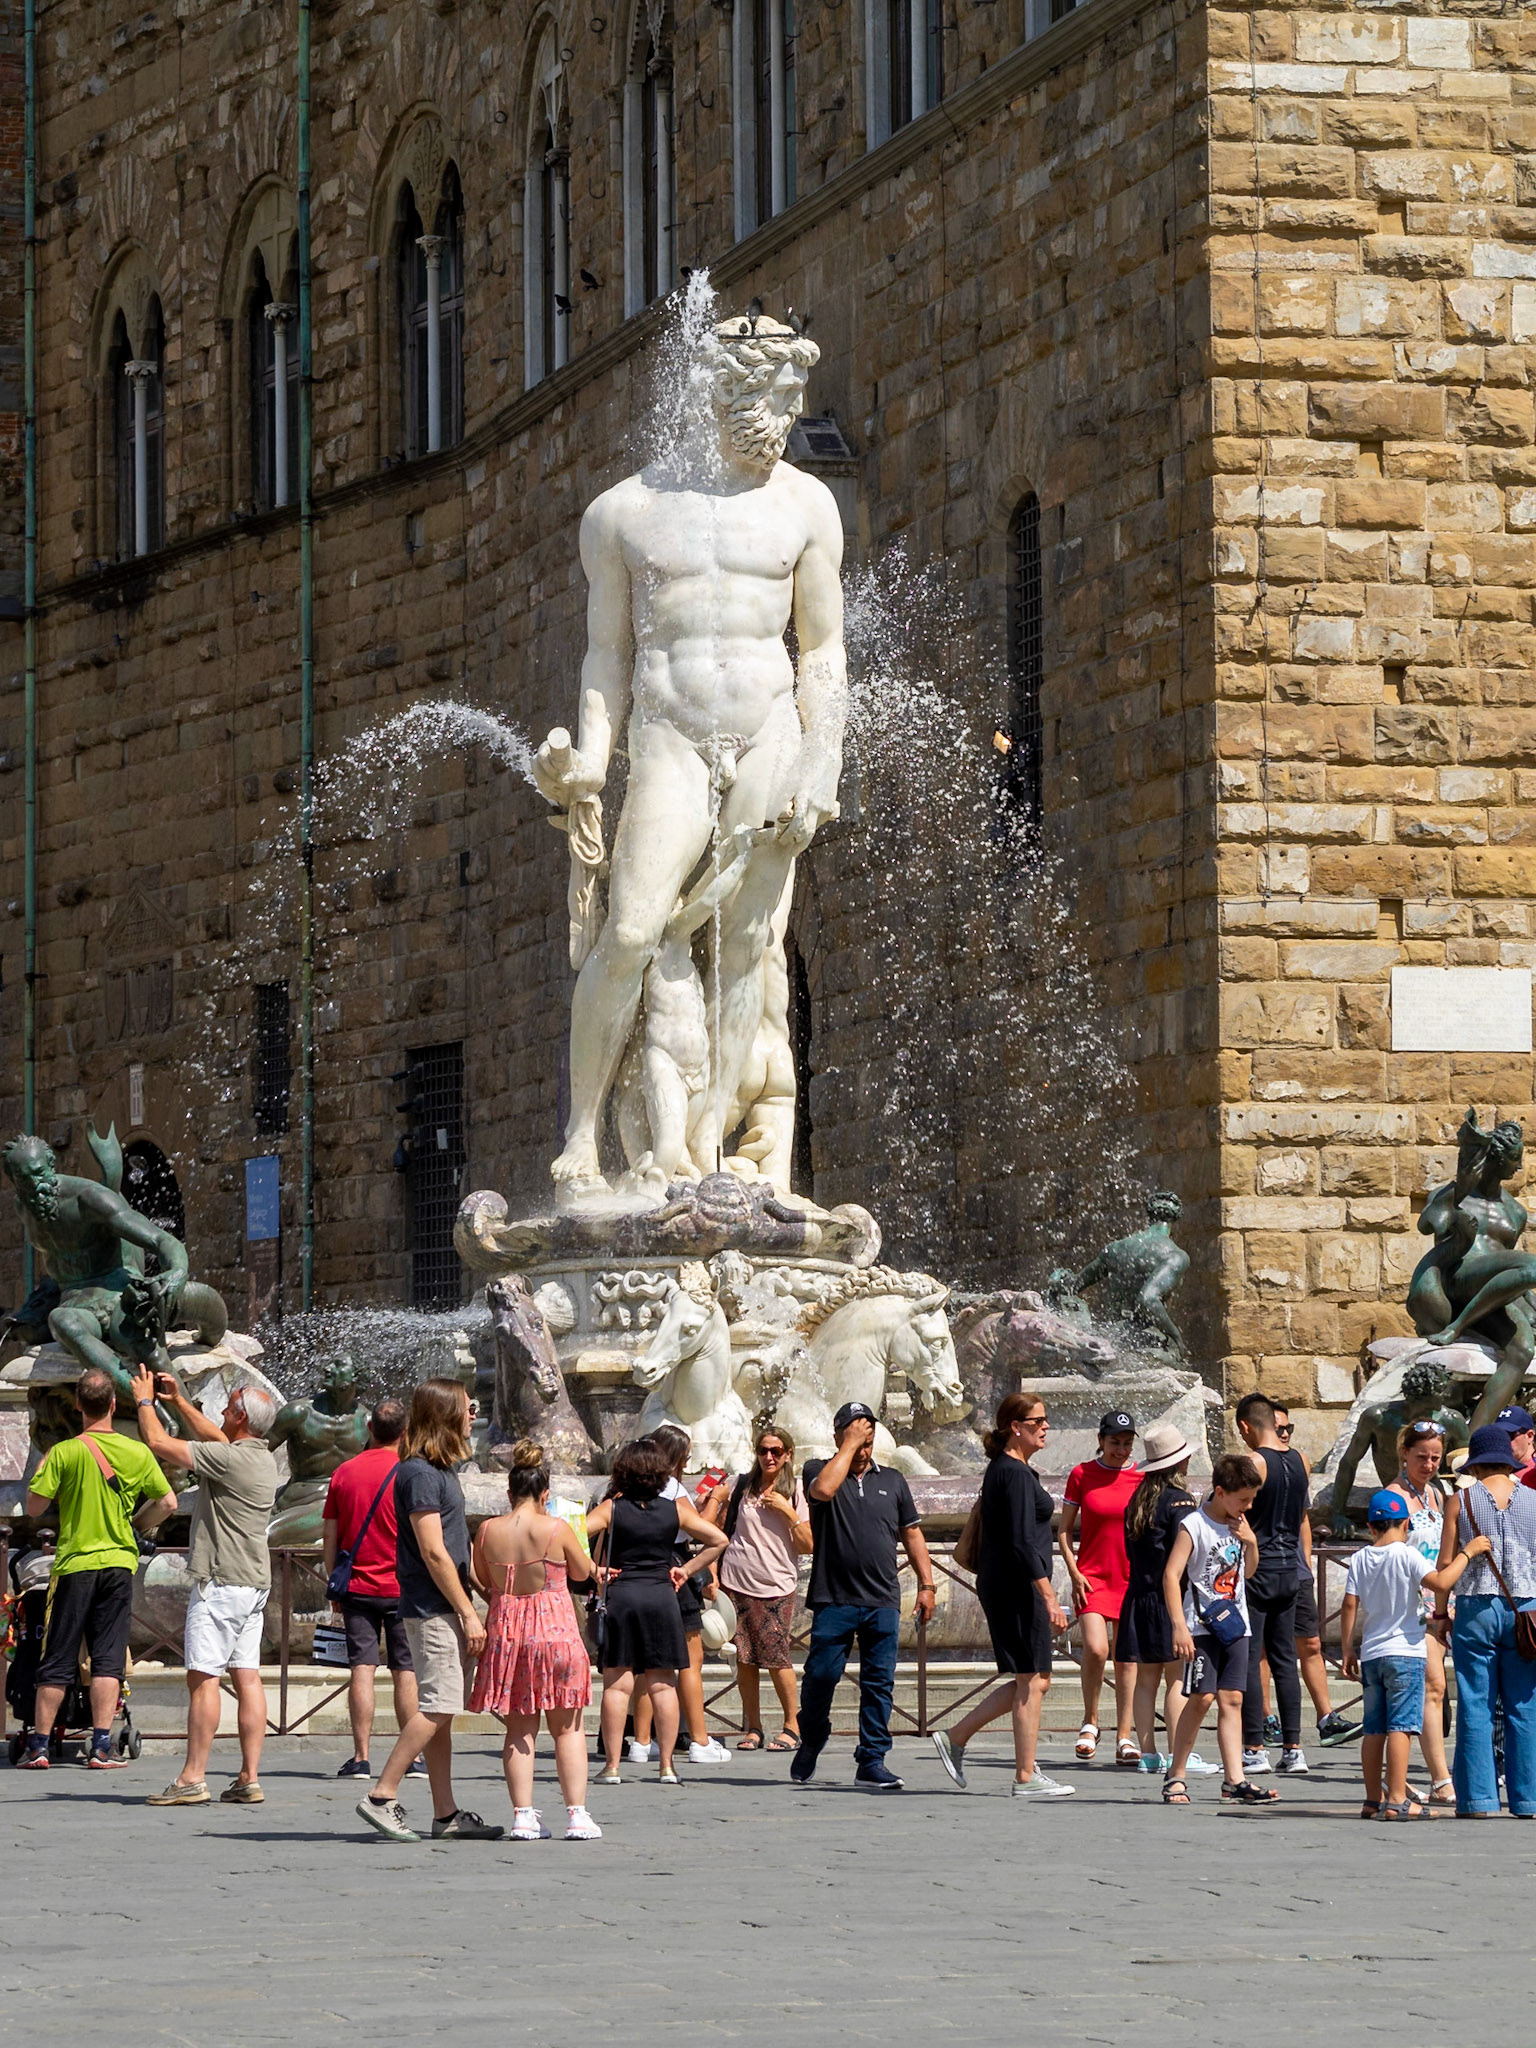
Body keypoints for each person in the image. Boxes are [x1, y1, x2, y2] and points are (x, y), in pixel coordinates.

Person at [354, 1378, 502, 1844]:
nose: (474, 1414)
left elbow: (453, 1552)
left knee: (443, 1712)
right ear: (444, 1413)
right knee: (439, 1704)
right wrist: (468, 1611)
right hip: (432, 1606)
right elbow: (433, 1552)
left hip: (443, 1602)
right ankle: (382, 1794)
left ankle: (445, 1813)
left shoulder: (441, 1469)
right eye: (468, 1406)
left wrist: (479, 1586)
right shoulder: (418, 1472)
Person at [129, 1366, 279, 1807]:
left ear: (240, 1417)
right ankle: (249, 1776)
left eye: (228, 1406)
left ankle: (193, 1776)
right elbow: (215, 1437)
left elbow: (159, 1444)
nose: (221, 1410)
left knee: (203, 1679)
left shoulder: (229, 1459)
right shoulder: (259, 1457)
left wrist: (144, 1400)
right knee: (248, 1678)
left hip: (221, 1583)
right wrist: (177, 1401)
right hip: (254, 1584)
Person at [19, 1367, 177, 1769]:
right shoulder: (137, 1452)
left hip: (74, 1564)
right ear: (111, 1403)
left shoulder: (65, 1452)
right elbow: (169, 1503)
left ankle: (38, 1746)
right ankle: (102, 1745)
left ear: (76, 1405)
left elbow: (34, 1506)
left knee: (57, 1655)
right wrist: (135, 1525)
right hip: (119, 1564)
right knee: (107, 1658)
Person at [930, 1394, 1073, 1798]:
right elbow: (1022, 1542)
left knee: (1035, 1679)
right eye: (1037, 1420)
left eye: (1047, 1419)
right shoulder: (1011, 1473)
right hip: (1017, 1587)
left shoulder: (1012, 1471)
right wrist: (1047, 1595)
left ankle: (957, 1737)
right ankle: (1025, 1776)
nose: (1045, 1426)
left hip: (1011, 1584)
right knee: (1032, 1679)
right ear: (1016, 1426)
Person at [793, 1400, 936, 1792]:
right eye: (856, 1437)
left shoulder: (893, 1480)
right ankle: (813, 1735)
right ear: (838, 1436)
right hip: (834, 1597)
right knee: (821, 1676)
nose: (863, 1448)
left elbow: (912, 1533)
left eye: (869, 1438)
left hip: (882, 1599)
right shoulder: (817, 1470)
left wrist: (927, 1584)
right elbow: (822, 1490)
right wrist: (849, 1446)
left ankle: (871, 1759)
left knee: (879, 1683)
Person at [468, 1440, 602, 1841]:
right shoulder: (555, 1528)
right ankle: (577, 1816)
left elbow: (479, 1576)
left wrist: (502, 1597)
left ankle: (523, 1816)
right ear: (545, 1494)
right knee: (568, 1728)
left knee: (519, 1730)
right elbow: (581, 1573)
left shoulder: (487, 1530)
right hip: (555, 1632)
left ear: (509, 1493)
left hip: (509, 1634)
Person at [586, 1437, 728, 1784]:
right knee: (663, 1685)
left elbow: (568, 1532)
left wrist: (594, 1570)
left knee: (617, 1687)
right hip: (663, 1596)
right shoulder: (675, 1510)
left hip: (623, 1596)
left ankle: (613, 1766)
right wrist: (688, 1569)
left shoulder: (611, 1509)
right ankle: (666, 1766)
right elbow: (718, 1540)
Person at [1340, 1488, 1487, 1819]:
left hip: (1373, 1652)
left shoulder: (1360, 1558)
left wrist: (1348, 1648)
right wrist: (1468, 1552)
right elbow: (1439, 1581)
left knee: (1373, 1727)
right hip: (1405, 1651)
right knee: (1401, 1726)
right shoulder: (1406, 1554)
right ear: (1406, 1523)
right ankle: (1396, 1799)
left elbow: (1350, 1603)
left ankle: (1371, 1799)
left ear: (1370, 1525)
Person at [1161, 1452, 1275, 1805]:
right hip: (1201, 1625)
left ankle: (1234, 1780)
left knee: (1233, 1699)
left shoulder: (1238, 1525)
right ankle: (1175, 1774)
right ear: (1220, 1491)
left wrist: (1251, 1541)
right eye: (1243, 1499)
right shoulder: (1193, 1525)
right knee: (1201, 1698)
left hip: (1235, 1623)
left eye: (1252, 1498)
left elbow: (1249, 1572)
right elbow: (1171, 1574)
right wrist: (1179, 1626)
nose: (1249, 1506)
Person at [1435, 1422, 1536, 1817]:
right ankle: (1527, 1798)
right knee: (1524, 1705)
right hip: (1526, 1610)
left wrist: (1441, 1614)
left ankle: (1478, 1798)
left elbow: (1446, 1563)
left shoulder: (1461, 1501)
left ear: (1475, 1465)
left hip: (1476, 1607)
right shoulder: (1533, 1500)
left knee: (1475, 1703)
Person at [321, 1396, 424, 1780]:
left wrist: (333, 1582)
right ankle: (412, 1756)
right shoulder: (410, 1472)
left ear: (369, 1429)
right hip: (402, 1588)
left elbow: (330, 1536)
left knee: (361, 1669)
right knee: (406, 1671)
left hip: (358, 1588)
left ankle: (361, 1757)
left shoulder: (344, 1472)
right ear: (405, 1432)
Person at [1114, 1423, 1216, 1779]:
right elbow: (1188, 1554)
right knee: (1177, 1678)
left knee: (1145, 1680)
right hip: (1168, 1599)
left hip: (1137, 1597)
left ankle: (1148, 1753)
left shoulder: (1137, 1500)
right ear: (1180, 1461)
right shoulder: (1181, 1502)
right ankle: (1179, 1753)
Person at [704, 1421, 812, 1751]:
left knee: (777, 1657)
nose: (768, 1456)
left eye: (776, 1451)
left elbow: (808, 1544)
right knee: (745, 1659)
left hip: (775, 1586)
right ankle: (752, 1726)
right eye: (763, 1450)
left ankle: (793, 1725)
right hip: (735, 1583)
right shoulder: (741, 1485)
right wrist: (711, 1572)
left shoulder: (796, 1491)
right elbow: (718, 1532)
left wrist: (787, 1512)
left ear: (788, 1455)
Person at [628, 1424, 732, 1765]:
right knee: (691, 1660)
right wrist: (715, 1501)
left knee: (648, 1664)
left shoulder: (628, 1488)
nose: (685, 1466)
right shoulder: (670, 1487)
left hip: (639, 1575)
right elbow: (701, 1529)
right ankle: (700, 1740)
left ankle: (642, 1741)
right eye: (684, 1459)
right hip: (674, 1570)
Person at [1271, 1403, 1356, 1748]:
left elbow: (1302, 1517)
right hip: (1264, 1570)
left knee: (1311, 1642)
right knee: (1264, 1651)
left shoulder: (1299, 1461)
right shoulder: (1254, 1465)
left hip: (1296, 1569)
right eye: (1280, 1429)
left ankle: (1326, 1718)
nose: (1286, 1434)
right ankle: (1266, 1720)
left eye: (1289, 1427)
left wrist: (1305, 1559)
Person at [1234, 1392, 1309, 1776]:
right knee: (1285, 1662)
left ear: (1247, 1426)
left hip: (1257, 1568)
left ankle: (1254, 1747)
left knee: (1249, 1660)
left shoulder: (1252, 1462)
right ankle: (1294, 1748)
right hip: (1289, 1570)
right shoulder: (1301, 1461)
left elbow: (1234, 1510)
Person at [1059, 1409, 1141, 1765]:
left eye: (1126, 1443)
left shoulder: (1140, 1476)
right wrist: (1074, 1571)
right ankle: (1090, 1721)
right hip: (1092, 1576)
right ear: (1100, 1440)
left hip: (1130, 1577)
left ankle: (1125, 1733)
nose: (1120, 1450)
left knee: (1126, 1657)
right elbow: (1063, 1530)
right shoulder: (1082, 1474)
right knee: (1095, 1648)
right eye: (1114, 1443)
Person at [1391, 1417, 1454, 1801]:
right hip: (1409, 1604)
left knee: (1427, 1689)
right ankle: (1440, 1779)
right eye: (1422, 1457)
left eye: (1435, 1457)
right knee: (1433, 1686)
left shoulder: (1438, 1492)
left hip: (1439, 1602)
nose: (1429, 1465)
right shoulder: (1394, 1497)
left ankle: (1398, 1773)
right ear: (1403, 1453)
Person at [1497, 1403, 1536, 1477]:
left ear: (1529, 1436)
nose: (1503, 1441)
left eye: (1509, 1435)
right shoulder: (1492, 1471)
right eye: (1499, 1435)